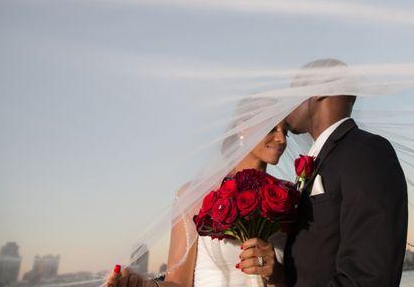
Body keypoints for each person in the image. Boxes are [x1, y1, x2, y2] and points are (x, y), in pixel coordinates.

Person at [107, 98, 289, 287]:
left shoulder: (287, 199)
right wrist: (143, 285)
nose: (282, 139)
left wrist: (276, 273)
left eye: (286, 131)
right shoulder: (195, 196)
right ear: (242, 127)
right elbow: (178, 283)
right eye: (271, 127)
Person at [282, 59, 408, 287]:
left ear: (319, 92)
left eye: (294, 90)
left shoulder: (366, 152)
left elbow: (368, 274)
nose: (286, 103)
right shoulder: (322, 159)